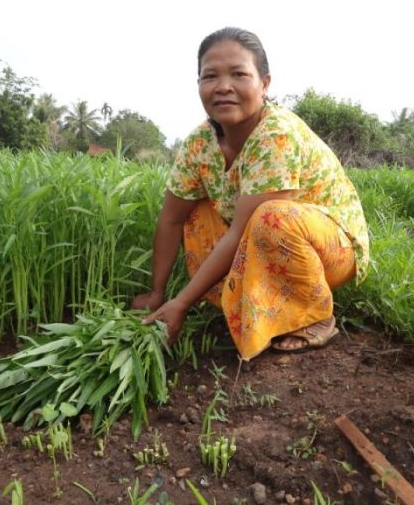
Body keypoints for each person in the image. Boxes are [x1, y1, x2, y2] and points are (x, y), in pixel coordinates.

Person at [131, 27, 368, 361]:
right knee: (196, 213)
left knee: (272, 216)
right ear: (198, 84)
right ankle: (236, 299)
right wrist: (157, 293)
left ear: (265, 84)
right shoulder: (199, 142)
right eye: (209, 76)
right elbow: (171, 218)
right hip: (261, 242)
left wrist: (180, 303)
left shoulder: (276, 133)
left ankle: (314, 314)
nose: (223, 86)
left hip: (330, 251)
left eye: (239, 74)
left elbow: (244, 229)